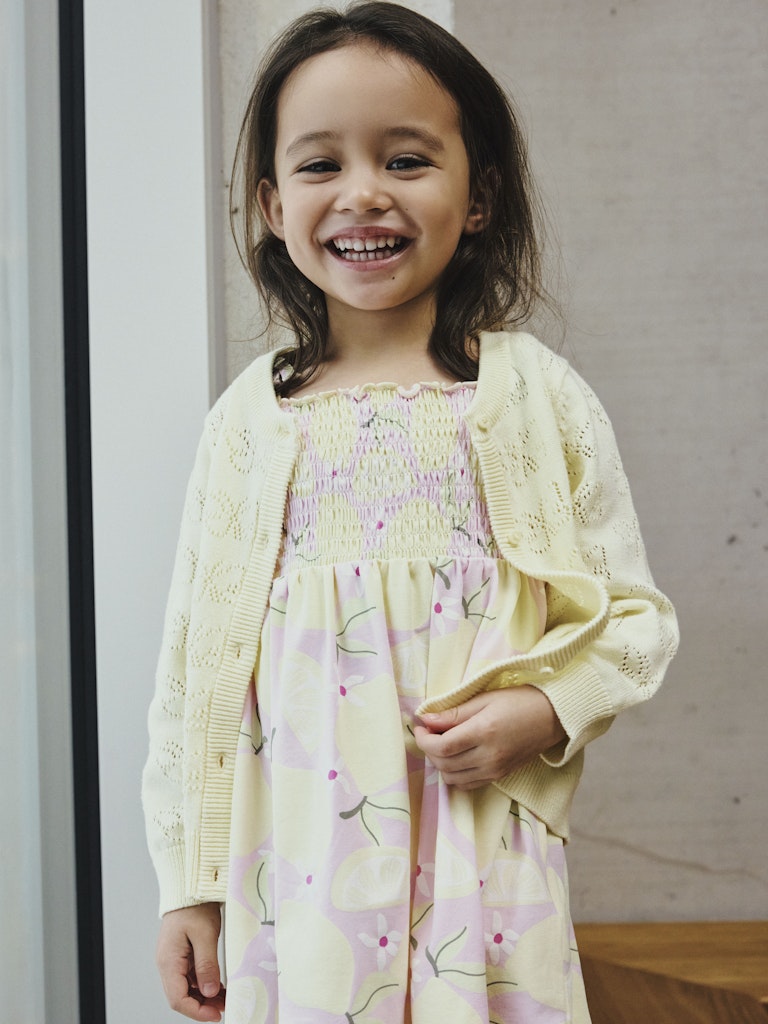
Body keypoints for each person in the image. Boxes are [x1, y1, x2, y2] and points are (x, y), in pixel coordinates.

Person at [142, 3, 679, 1021]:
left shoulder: (534, 398)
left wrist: (545, 710)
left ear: (478, 194)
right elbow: (193, 674)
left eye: (406, 158)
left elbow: (635, 623)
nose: (363, 194)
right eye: (318, 165)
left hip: (484, 862)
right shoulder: (249, 426)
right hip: (292, 866)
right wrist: (191, 885)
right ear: (267, 203)